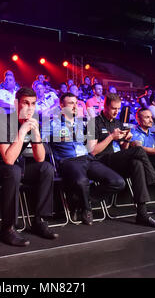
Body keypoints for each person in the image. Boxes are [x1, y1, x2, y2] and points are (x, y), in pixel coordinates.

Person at [88, 93, 155, 228]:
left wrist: (127, 140)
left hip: (117, 159)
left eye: (118, 109)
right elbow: (93, 151)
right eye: (113, 109)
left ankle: (142, 214)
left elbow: (124, 150)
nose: (116, 112)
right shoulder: (93, 122)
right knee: (139, 150)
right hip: (100, 161)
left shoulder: (118, 122)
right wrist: (111, 136)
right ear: (105, 106)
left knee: (137, 163)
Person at [0, 87, 58, 246]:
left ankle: (40, 221)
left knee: (46, 168)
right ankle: (8, 228)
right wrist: (23, 131)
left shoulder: (31, 122)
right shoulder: (3, 122)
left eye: (33, 104)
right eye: (26, 103)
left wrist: (36, 133)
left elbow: (40, 158)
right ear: (16, 103)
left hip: (16, 167)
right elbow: (8, 159)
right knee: (14, 170)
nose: (30, 108)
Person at [45, 93, 126, 225]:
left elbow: (91, 146)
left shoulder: (81, 124)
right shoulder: (52, 124)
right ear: (61, 105)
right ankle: (87, 210)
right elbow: (39, 141)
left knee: (118, 182)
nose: (75, 106)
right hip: (68, 160)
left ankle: (81, 202)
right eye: (71, 103)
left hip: (87, 158)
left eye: (76, 103)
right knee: (82, 181)